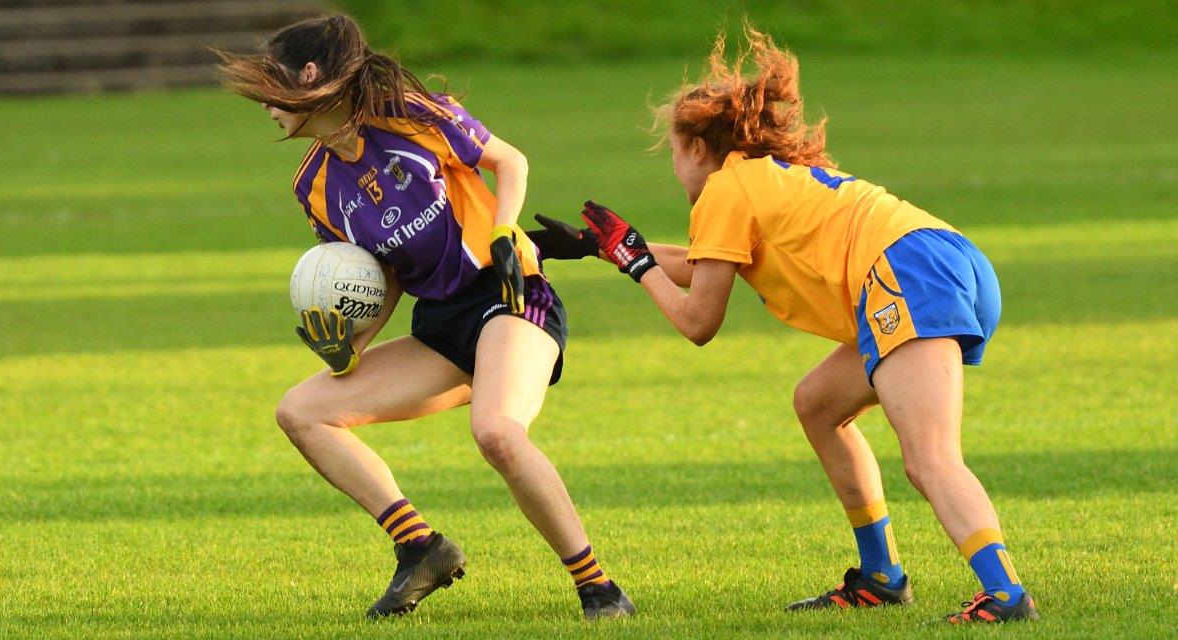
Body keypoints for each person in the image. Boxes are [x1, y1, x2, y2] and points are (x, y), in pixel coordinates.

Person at [550, 25, 1037, 624]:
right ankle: (880, 576)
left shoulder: (725, 190)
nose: (674, 166)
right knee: (818, 403)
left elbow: (699, 319)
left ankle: (1006, 596)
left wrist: (634, 260)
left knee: (929, 457)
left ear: (698, 149)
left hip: (907, 274)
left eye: (673, 152)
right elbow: (703, 266)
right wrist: (599, 247)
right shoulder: (761, 179)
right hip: (944, 259)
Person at [214, 15, 633, 620]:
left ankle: (600, 590)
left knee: (497, 433)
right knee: (301, 411)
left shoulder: (407, 112)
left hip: (510, 295)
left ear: (309, 76)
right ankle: (421, 548)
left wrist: (506, 230)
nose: (266, 107)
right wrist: (349, 347)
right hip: (441, 326)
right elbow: (380, 277)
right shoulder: (314, 186)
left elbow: (508, 161)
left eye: (270, 88)